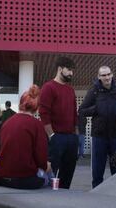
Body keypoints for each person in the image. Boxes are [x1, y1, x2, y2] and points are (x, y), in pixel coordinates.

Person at [79, 66, 116, 188]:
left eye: (108, 74)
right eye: (103, 75)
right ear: (99, 77)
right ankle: (96, 195)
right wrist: (96, 109)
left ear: (112, 74)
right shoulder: (94, 91)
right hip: (99, 137)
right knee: (97, 170)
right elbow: (82, 110)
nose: (107, 78)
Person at [0, 85, 51, 189]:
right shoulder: (36, 124)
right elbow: (41, 158)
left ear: (21, 103)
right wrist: (46, 166)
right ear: (37, 107)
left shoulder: (7, 123)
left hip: (2, 178)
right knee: (50, 175)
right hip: (23, 179)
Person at [39, 56, 78, 189]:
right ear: (60, 69)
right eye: (69, 70)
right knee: (52, 175)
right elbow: (44, 113)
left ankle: (63, 199)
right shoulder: (48, 87)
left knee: (67, 174)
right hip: (56, 138)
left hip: (71, 138)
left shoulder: (70, 90)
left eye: (73, 70)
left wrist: (76, 136)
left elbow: (74, 113)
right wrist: (51, 136)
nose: (71, 73)